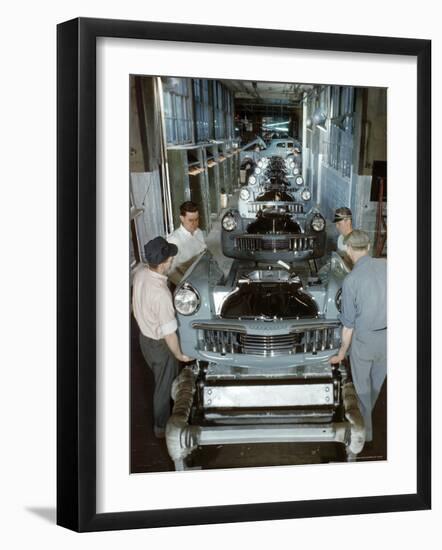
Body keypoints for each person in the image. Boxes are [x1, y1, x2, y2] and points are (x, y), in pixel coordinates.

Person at [132, 236, 193, 438]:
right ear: (164, 262)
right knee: (163, 386)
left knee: (161, 380)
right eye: (170, 258)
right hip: (159, 346)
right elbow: (169, 333)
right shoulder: (161, 294)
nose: (172, 260)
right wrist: (180, 355)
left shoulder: (140, 273)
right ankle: (161, 428)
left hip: (144, 339)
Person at [329, 230, 387, 443]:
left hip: (365, 342)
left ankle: (365, 437)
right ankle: (366, 422)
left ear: (348, 249)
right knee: (375, 387)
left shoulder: (351, 280)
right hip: (389, 339)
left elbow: (348, 326)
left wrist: (341, 354)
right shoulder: (387, 266)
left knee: (362, 392)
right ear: (369, 246)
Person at [167, 201, 207, 286]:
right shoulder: (174, 240)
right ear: (182, 218)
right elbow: (170, 272)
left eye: (196, 219)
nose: (194, 224)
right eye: (190, 220)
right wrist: (187, 286)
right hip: (184, 285)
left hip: (200, 277)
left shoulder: (199, 232)